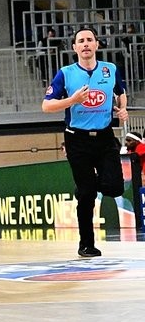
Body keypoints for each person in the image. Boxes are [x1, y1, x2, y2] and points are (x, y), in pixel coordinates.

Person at [42, 26, 128, 257]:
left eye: (90, 39)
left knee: (115, 187)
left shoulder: (110, 69)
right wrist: (72, 100)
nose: (86, 44)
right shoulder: (66, 73)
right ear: (74, 47)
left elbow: (120, 92)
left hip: (105, 136)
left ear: (97, 44)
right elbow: (46, 105)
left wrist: (123, 108)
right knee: (88, 195)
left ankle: (85, 186)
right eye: (81, 41)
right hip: (77, 138)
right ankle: (86, 244)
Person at [124, 132, 145, 229]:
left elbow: (136, 155)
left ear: (137, 141)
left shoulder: (141, 147)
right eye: (126, 140)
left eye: (129, 140)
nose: (126, 143)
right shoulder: (129, 151)